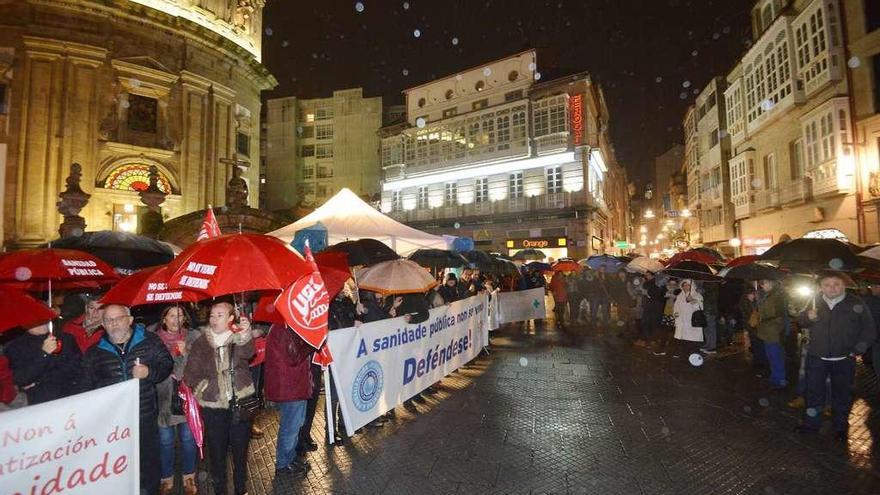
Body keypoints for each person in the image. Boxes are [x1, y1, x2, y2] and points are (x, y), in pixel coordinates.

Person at [78, 304, 173, 495]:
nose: (114, 324)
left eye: (118, 318)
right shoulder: (94, 352)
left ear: (130, 320)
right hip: (113, 422)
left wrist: (148, 372)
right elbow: (85, 386)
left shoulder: (149, 341)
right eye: (109, 320)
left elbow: (166, 365)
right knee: (118, 463)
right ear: (102, 324)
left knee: (148, 461)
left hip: (144, 415)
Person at [184, 302, 256, 495]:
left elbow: (249, 353)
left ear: (231, 318)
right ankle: (220, 490)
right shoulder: (201, 343)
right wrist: (205, 389)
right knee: (217, 454)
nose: (214, 319)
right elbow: (190, 376)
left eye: (220, 315)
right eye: (212, 315)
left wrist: (246, 333)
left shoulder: (238, 338)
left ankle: (241, 489)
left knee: (240, 452)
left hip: (240, 402)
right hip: (213, 408)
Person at [796, 272, 876, 440]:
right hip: (817, 357)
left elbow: (869, 329)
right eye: (827, 284)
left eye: (836, 284)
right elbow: (801, 321)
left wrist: (857, 350)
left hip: (844, 359)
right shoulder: (813, 301)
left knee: (842, 394)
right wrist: (807, 317)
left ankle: (840, 426)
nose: (832, 288)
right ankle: (811, 425)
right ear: (820, 287)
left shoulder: (855, 302)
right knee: (813, 393)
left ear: (844, 285)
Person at [151, 306, 200, 495]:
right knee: (165, 440)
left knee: (188, 438)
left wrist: (186, 352)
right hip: (162, 398)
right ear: (164, 319)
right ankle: (166, 478)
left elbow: (201, 367)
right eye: (171, 315)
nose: (176, 319)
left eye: (180, 315)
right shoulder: (152, 339)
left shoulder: (194, 337)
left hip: (186, 396)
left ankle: (189, 477)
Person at [265, 323, 314, 477]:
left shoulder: (286, 327)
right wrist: (312, 342)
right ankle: (283, 463)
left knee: (295, 423)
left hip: (294, 385)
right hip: (290, 386)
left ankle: (289, 458)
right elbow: (294, 356)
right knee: (290, 426)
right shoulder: (284, 328)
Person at [7, 321, 80, 405]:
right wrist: (44, 354)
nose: (41, 321)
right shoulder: (15, 347)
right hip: (38, 401)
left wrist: (38, 382)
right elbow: (21, 378)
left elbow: (75, 369)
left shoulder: (66, 338)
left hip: (69, 396)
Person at [756, 279, 787, 390]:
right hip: (767, 328)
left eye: (763, 283)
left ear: (770, 283)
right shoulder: (768, 295)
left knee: (775, 354)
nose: (761, 285)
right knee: (770, 354)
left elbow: (779, 314)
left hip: (773, 328)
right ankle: (775, 377)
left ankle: (780, 380)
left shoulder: (777, 296)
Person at [672, 279, 704, 358]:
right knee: (683, 337)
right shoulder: (680, 295)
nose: (686, 287)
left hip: (692, 321)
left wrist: (692, 301)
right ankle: (682, 353)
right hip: (682, 320)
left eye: (688, 285)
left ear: (692, 286)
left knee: (692, 337)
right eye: (684, 285)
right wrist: (676, 314)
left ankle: (693, 354)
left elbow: (700, 308)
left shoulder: (697, 295)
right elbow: (676, 306)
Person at [699, 281, 720, 354]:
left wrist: (703, 292)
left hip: (710, 310)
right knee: (706, 328)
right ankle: (708, 344)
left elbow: (712, 297)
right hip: (706, 309)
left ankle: (712, 347)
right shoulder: (707, 283)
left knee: (711, 328)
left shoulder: (713, 283)